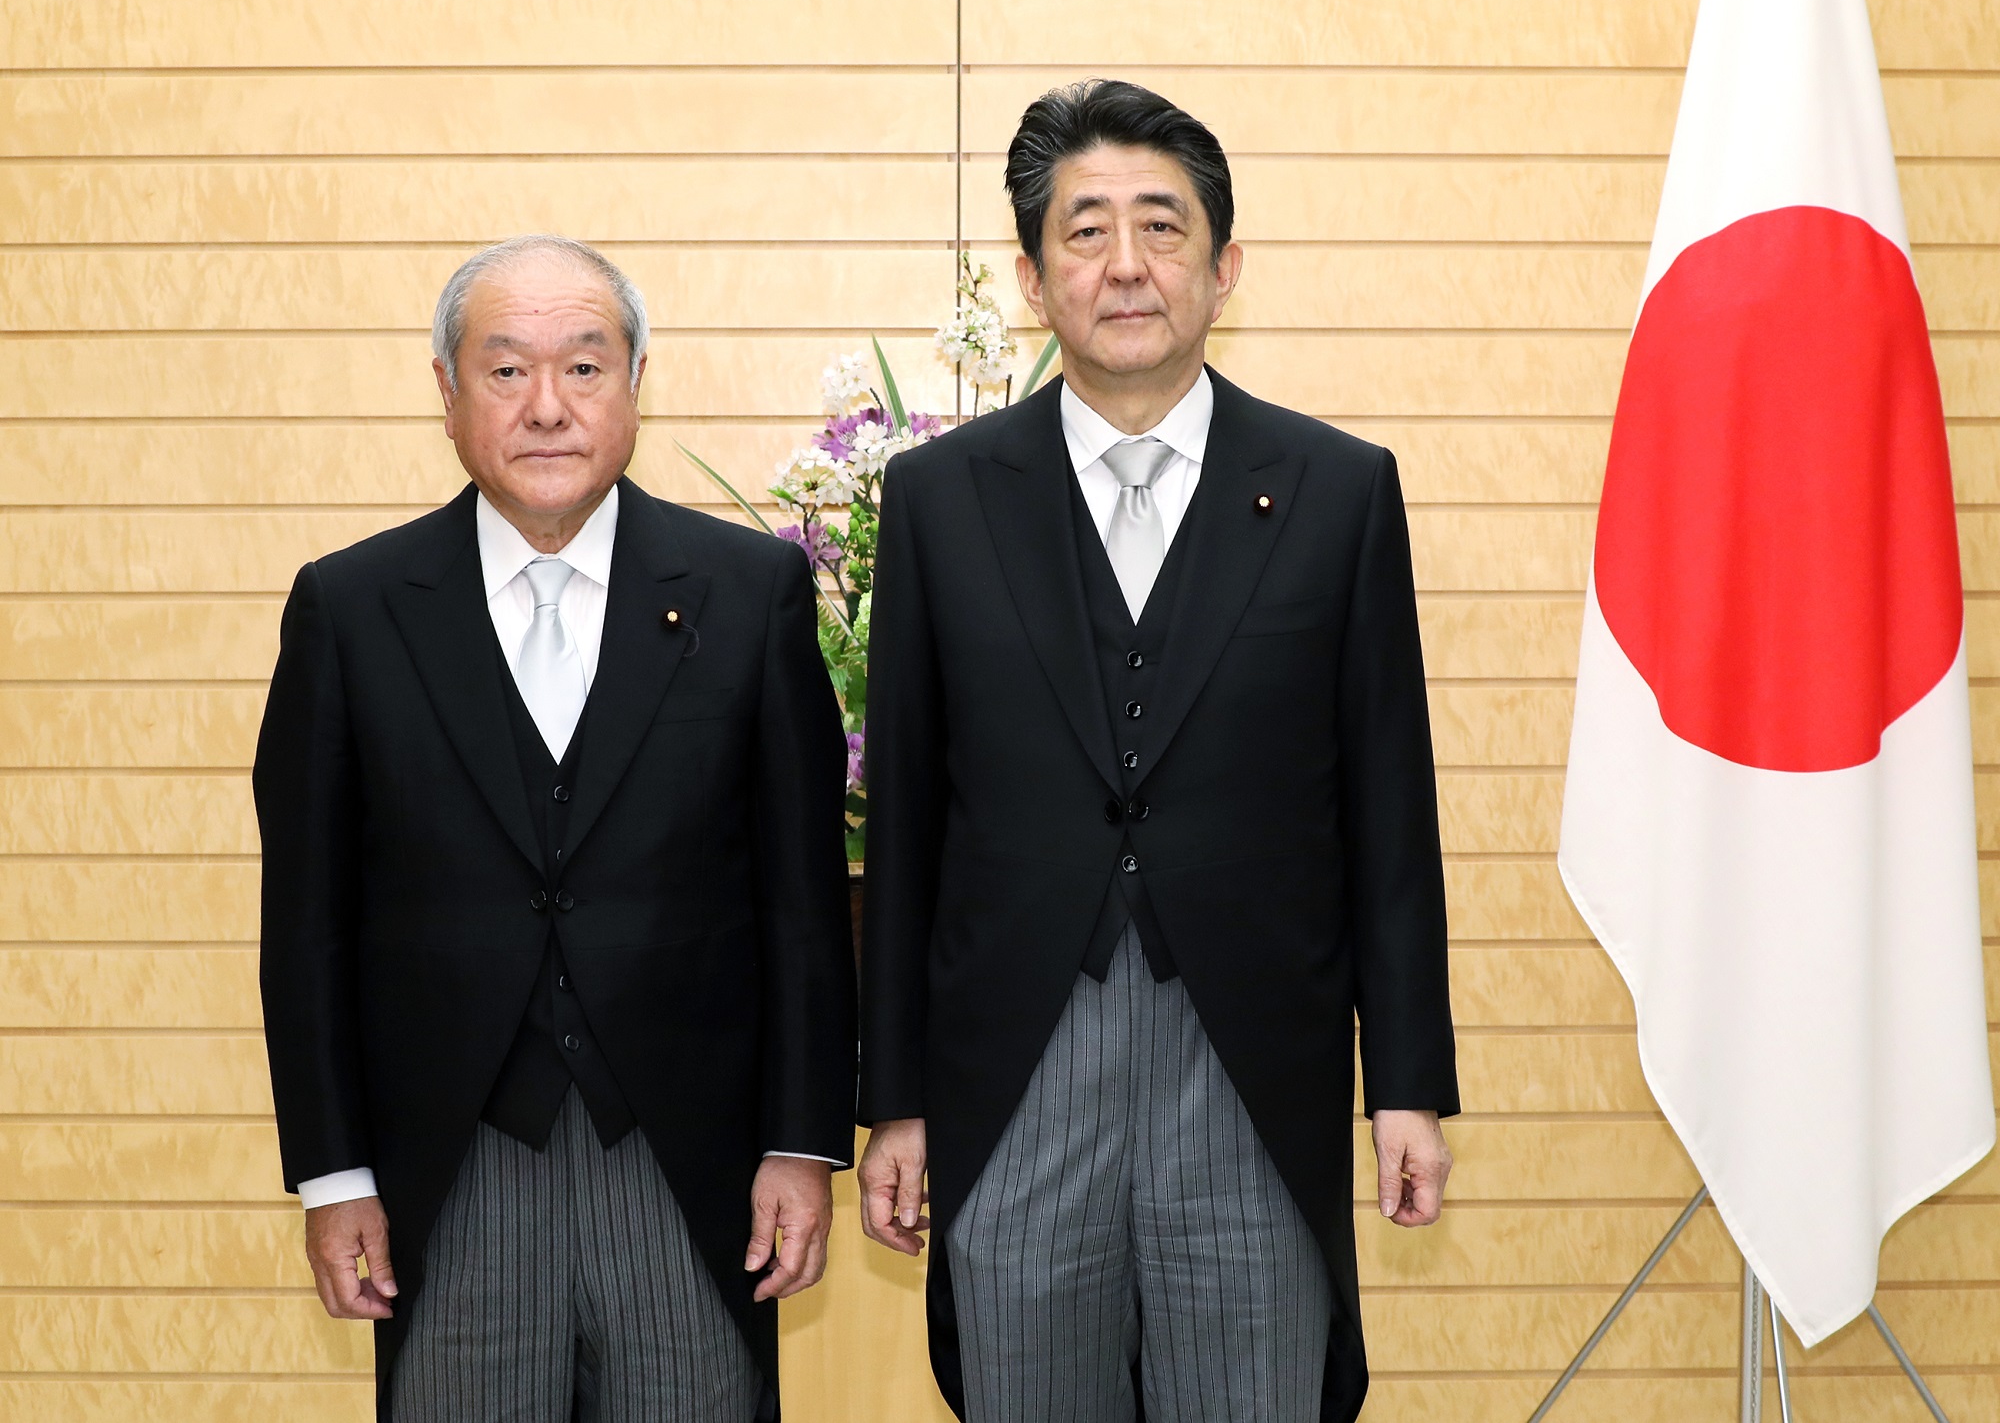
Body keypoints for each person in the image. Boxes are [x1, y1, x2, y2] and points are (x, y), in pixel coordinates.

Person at [855, 81, 1459, 1422]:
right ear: (1030, 275)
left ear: (1224, 266)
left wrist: (1407, 1084)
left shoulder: (1337, 491)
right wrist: (890, 1101)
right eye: (1084, 231)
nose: (1124, 264)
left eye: (1161, 227)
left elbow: (1386, 804)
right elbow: (904, 821)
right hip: (1016, 1074)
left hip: (1251, 1065)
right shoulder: (942, 502)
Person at [255, 235, 855, 1421]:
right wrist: (335, 1175)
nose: (546, 407)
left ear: (635, 384)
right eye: (504, 370)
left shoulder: (749, 596)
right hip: (450, 1168)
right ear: (445, 392)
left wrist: (801, 1142)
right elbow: (307, 925)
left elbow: (801, 905)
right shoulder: (354, 607)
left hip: (692, 1172)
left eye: (584, 368)